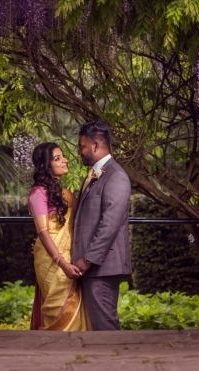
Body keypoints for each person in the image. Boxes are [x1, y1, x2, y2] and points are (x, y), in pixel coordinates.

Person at [72, 120, 132, 330]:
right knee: (97, 325)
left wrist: (88, 259)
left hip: (102, 267)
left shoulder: (116, 177)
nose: (80, 152)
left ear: (96, 146)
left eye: (82, 146)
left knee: (105, 326)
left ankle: (116, 361)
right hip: (94, 268)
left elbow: (110, 224)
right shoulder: (97, 174)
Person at [28, 142, 91, 331]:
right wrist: (62, 264)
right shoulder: (37, 193)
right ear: (46, 166)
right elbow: (43, 232)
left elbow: (81, 216)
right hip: (52, 262)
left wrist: (88, 184)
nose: (65, 160)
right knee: (58, 309)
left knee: (75, 307)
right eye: (57, 158)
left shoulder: (64, 193)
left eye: (62, 156)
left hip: (70, 256)